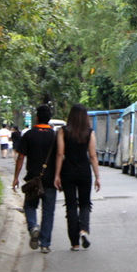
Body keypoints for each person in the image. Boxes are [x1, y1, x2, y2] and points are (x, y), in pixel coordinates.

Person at [53, 104, 101, 251]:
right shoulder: (89, 133)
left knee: (71, 205)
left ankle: (74, 242)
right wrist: (97, 176)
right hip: (84, 171)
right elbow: (92, 156)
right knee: (85, 203)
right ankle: (83, 230)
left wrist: (57, 175)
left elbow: (60, 154)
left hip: (68, 171)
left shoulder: (63, 132)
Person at [12, 106, 58, 253]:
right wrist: (59, 176)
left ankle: (33, 227)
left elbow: (20, 157)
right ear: (49, 118)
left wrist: (15, 177)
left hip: (33, 178)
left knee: (30, 206)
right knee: (48, 211)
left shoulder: (29, 135)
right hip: (50, 179)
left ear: (37, 117)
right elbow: (60, 157)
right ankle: (45, 244)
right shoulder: (55, 136)